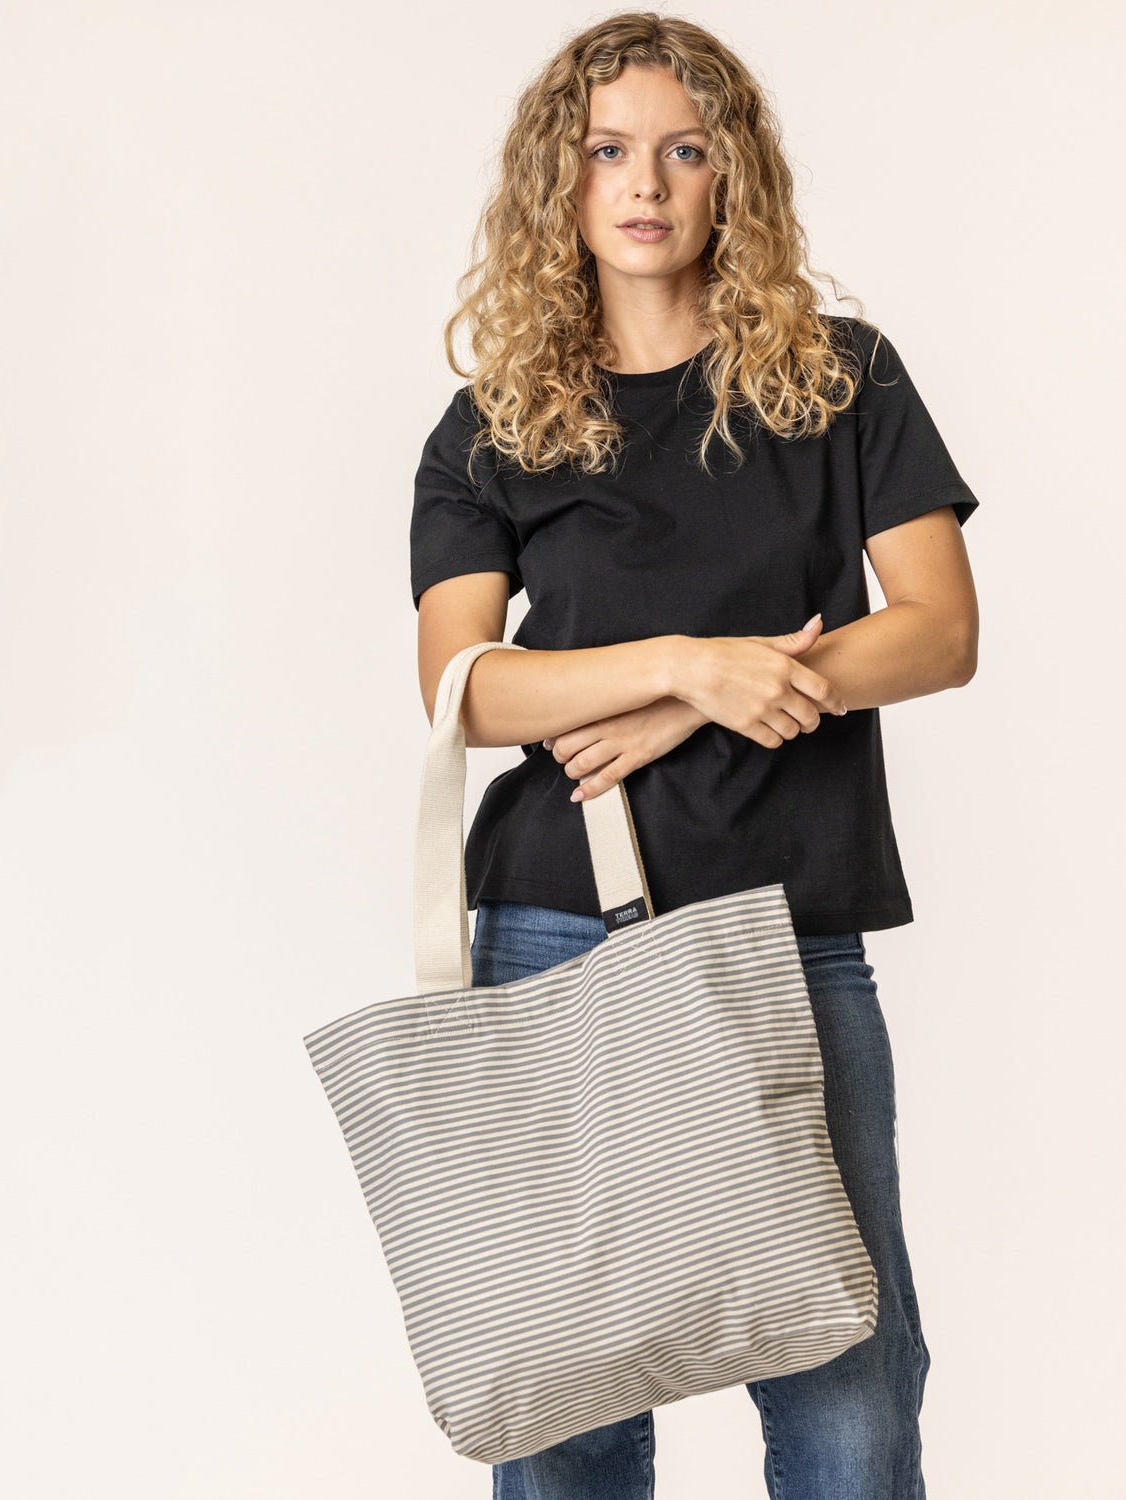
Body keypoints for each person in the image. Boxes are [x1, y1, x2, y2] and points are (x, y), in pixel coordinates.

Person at [410, 12, 981, 1498]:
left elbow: (937, 632)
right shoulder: (493, 426)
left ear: (735, 175)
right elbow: (466, 690)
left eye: (684, 148)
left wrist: (705, 700)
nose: (645, 183)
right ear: (562, 180)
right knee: (568, 1386)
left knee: (849, 1379)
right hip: (555, 930)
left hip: (792, 929)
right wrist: (682, 664)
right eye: (608, 151)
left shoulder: (840, 379)